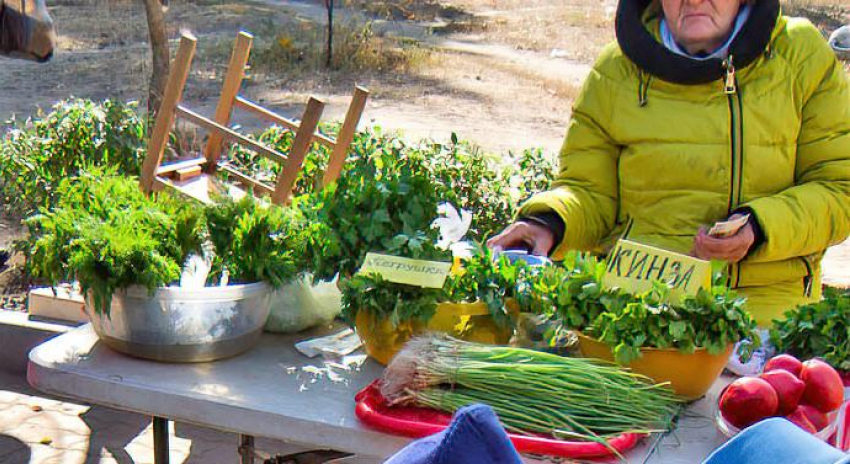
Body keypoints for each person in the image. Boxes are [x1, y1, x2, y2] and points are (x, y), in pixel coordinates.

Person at [488, 0, 850, 332]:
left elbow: (839, 190)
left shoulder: (800, 55)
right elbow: (589, 192)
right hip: (636, 313)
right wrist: (550, 223)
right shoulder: (614, 72)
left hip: (765, 320)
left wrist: (759, 227)